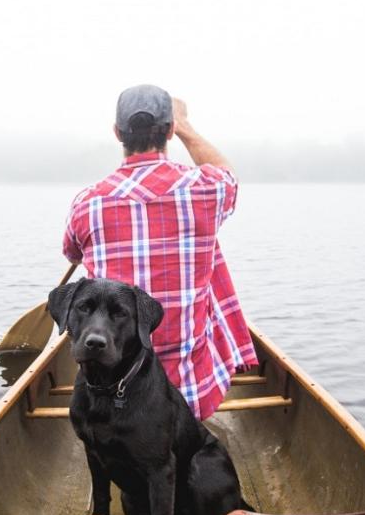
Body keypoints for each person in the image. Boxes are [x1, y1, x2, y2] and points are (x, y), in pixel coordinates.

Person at [61, 84, 258, 420]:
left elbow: (72, 253)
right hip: (189, 395)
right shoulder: (207, 189)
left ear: (117, 133)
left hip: (112, 394)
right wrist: (186, 125)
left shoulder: (87, 203)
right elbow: (229, 174)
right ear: (169, 130)